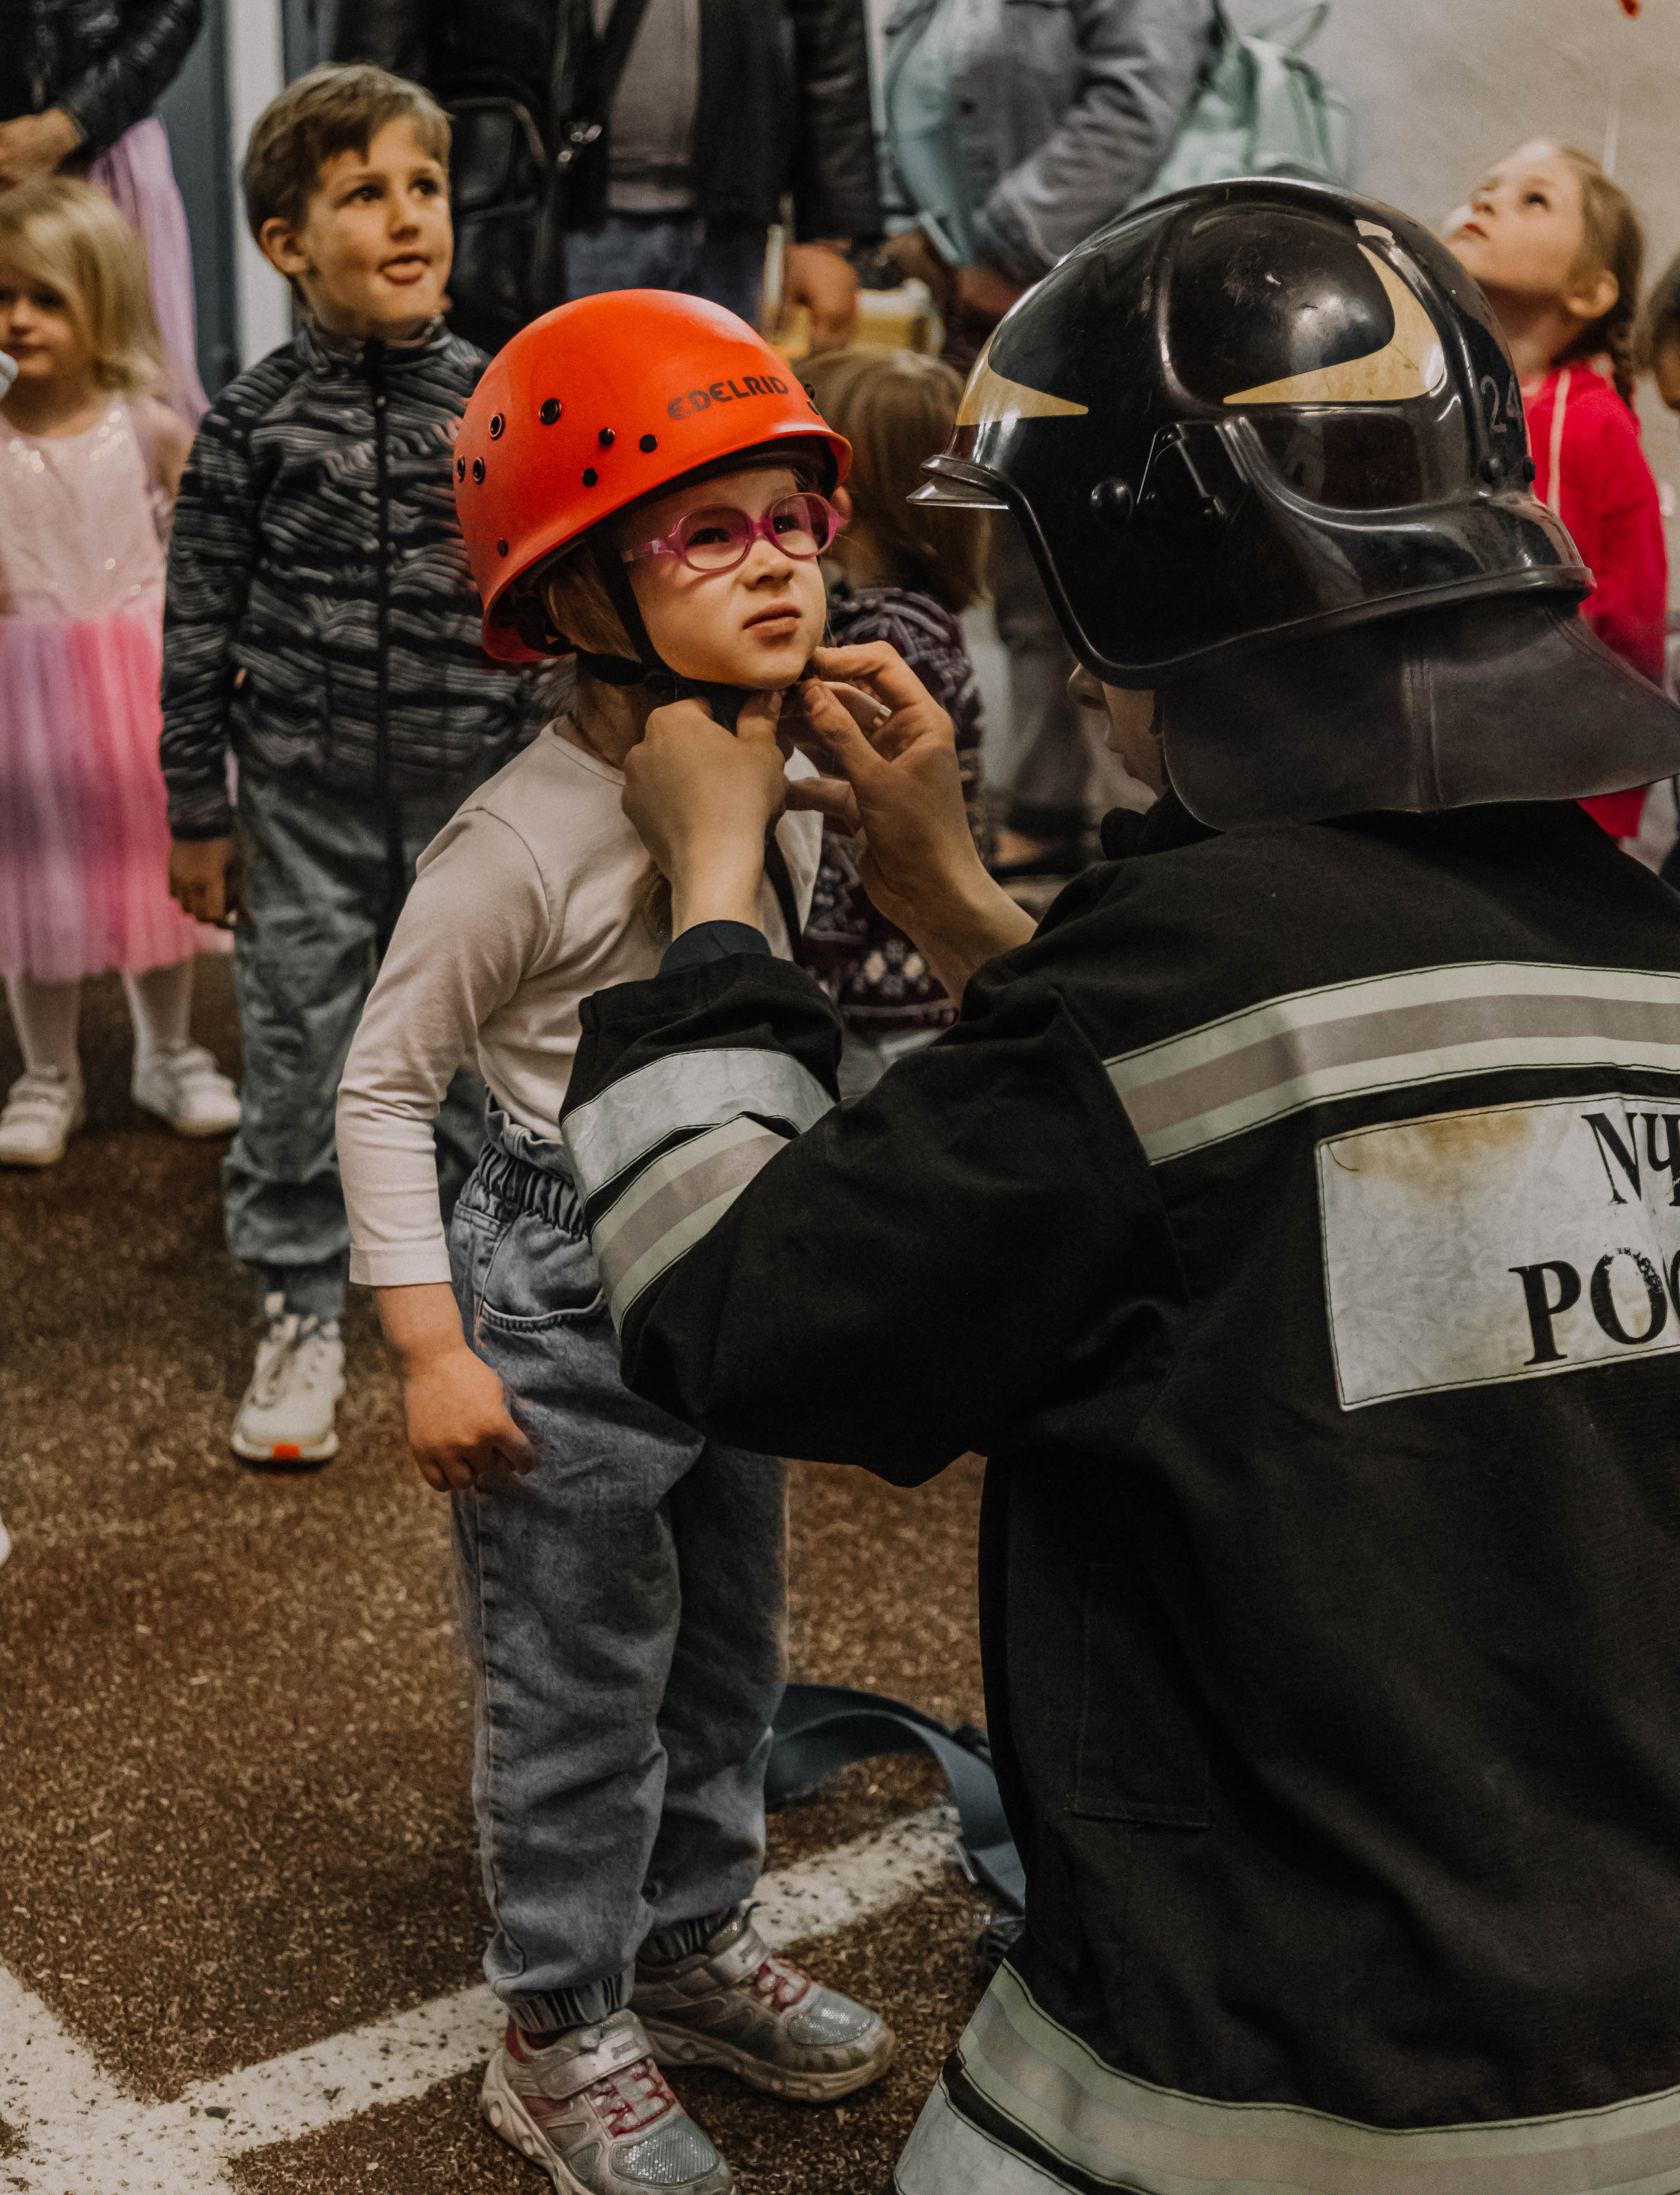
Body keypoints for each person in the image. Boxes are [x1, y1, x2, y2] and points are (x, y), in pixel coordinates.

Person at [550, 180, 1680, 2192]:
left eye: (1069, 599)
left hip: (1255, 2104)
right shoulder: (1635, 953)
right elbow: (1275, 1149)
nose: (1061, 667)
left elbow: (737, 1299)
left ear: (1172, 602)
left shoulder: (1154, 1002)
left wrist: (716, 905)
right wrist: (972, 911)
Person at [338, 290, 894, 2195]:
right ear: (577, 592)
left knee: (728, 1646)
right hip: (559, 1288)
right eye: (708, 531)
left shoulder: (773, 757)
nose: (780, 566)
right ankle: (558, 2024)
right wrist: (428, 1341)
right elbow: (383, 1088)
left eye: (794, 521)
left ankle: (692, 1942)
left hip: (720, 1248)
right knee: (581, 1683)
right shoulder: (515, 845)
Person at [160, 65, 545, 1468]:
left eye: (425, 187)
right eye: (363, 192)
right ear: (284, 242)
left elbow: (543, 602)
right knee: (302, 1057)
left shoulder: (503, 402)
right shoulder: (248, 425)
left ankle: (463, 1293)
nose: (407, 218)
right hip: (303, 810)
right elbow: (196, 624)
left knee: (462, 1061)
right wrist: (198, 808)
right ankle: (297, 1297)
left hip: (477, 804)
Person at [876, 0, 1217, 873]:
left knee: (1102, 558)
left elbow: (1135, 105)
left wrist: (1008, 244)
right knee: (1031, 566)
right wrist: (912, 232)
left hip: (1089, 295)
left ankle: (1141, 822)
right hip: (997, 294)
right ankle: (1051, 803)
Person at [0, 177, 237, 1171]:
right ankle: (46, 1069)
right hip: (23, 691)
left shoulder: (149, 428)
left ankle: (168, 1051)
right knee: (30, 874)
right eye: (2, 295)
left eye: (45, 297)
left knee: (153, 871)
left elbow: (206, 555)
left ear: (102, 297)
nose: (17, 317)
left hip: (136, 677)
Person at [330, 0, 879, 356]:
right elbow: (379, 63)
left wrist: (830, 234)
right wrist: (386, 235)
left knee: (711, 475)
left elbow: (829, 39)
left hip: (730, 227)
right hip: (535, 222)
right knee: (552, 466)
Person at [1446, 140, 1667, 843]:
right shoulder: (1416, 390)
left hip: (1542, 794)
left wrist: (1600, 813)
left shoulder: (1595, 426)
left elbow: (1628, 627)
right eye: (1485, 186)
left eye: (1532, 199)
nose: (1486, 201)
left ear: (1588, 291)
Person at [796, 345, 990, 1093]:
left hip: (877, 1003)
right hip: (914, 984)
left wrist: (809, 982)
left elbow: (846, 835)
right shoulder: (921, 621)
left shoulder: (877, 642)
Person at [0, 0, 210, 423]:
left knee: (140, 374)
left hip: (110, 145)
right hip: (6, 153)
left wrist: (72, 123)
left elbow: (173, 10)